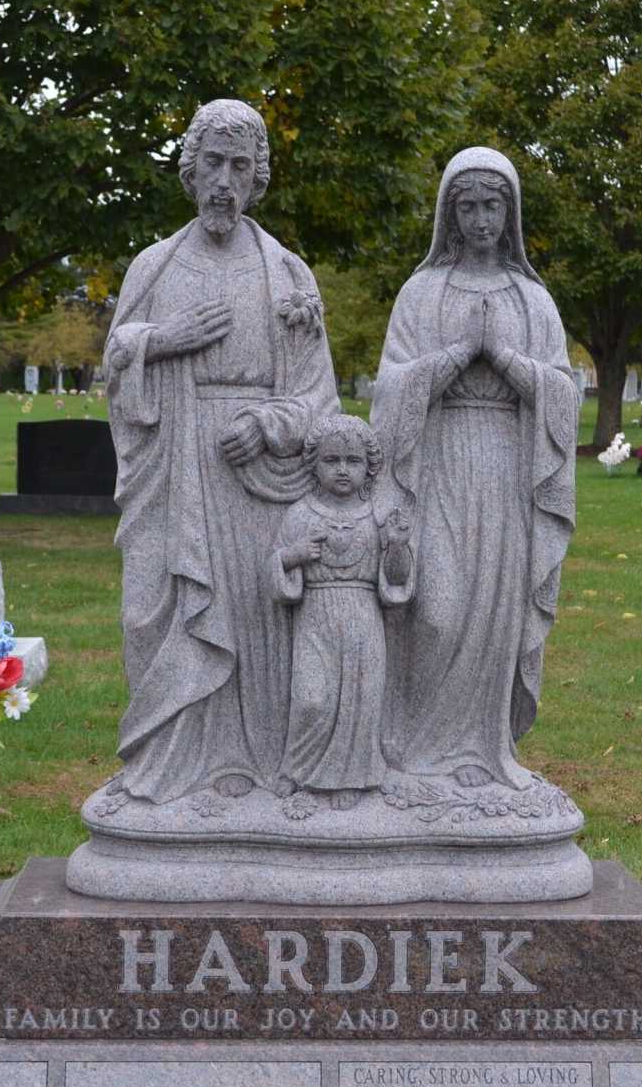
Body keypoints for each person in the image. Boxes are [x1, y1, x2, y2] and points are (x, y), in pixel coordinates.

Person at [101, 99, 339, 803]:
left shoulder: (287, 273)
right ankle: (170, 767)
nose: (224, 182)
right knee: (159, 611)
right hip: (173, 463)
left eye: (241, 166)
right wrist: (163, 340)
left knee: (261, 615)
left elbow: (318, 396)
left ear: (258, 177)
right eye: (213, 163)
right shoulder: (155, 265)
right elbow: (117, 357)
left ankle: (256, 769)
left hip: (258, 478)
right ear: (190, 169)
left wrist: (267, 424)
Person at [368, 147, 579, 790]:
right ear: (449, 215)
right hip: (436, 466)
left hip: (509, 470)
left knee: (497, 612)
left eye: (493, 206)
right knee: (435, 610)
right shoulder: (421, 291)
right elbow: (390, 388)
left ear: (510, 214)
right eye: (468, 207)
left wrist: (506, 360)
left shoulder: (530, 298)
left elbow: (564, 391)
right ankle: (415, 751)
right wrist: (460, 354)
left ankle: (486, 755)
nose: (482, 220)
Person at [269, 416, 412, 810]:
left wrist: (397, 546)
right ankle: (296, 769)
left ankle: (351, 776)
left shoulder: (378, 514)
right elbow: (276, 569)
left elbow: (396, 581)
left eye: (352, 460)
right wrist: (293, 556)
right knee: (312, 698)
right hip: (316, 615)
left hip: (364, 617)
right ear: (314, 464)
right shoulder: (300, 514)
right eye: (332, 460)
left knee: (359, 701)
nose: (343, 469)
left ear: (369, 466)